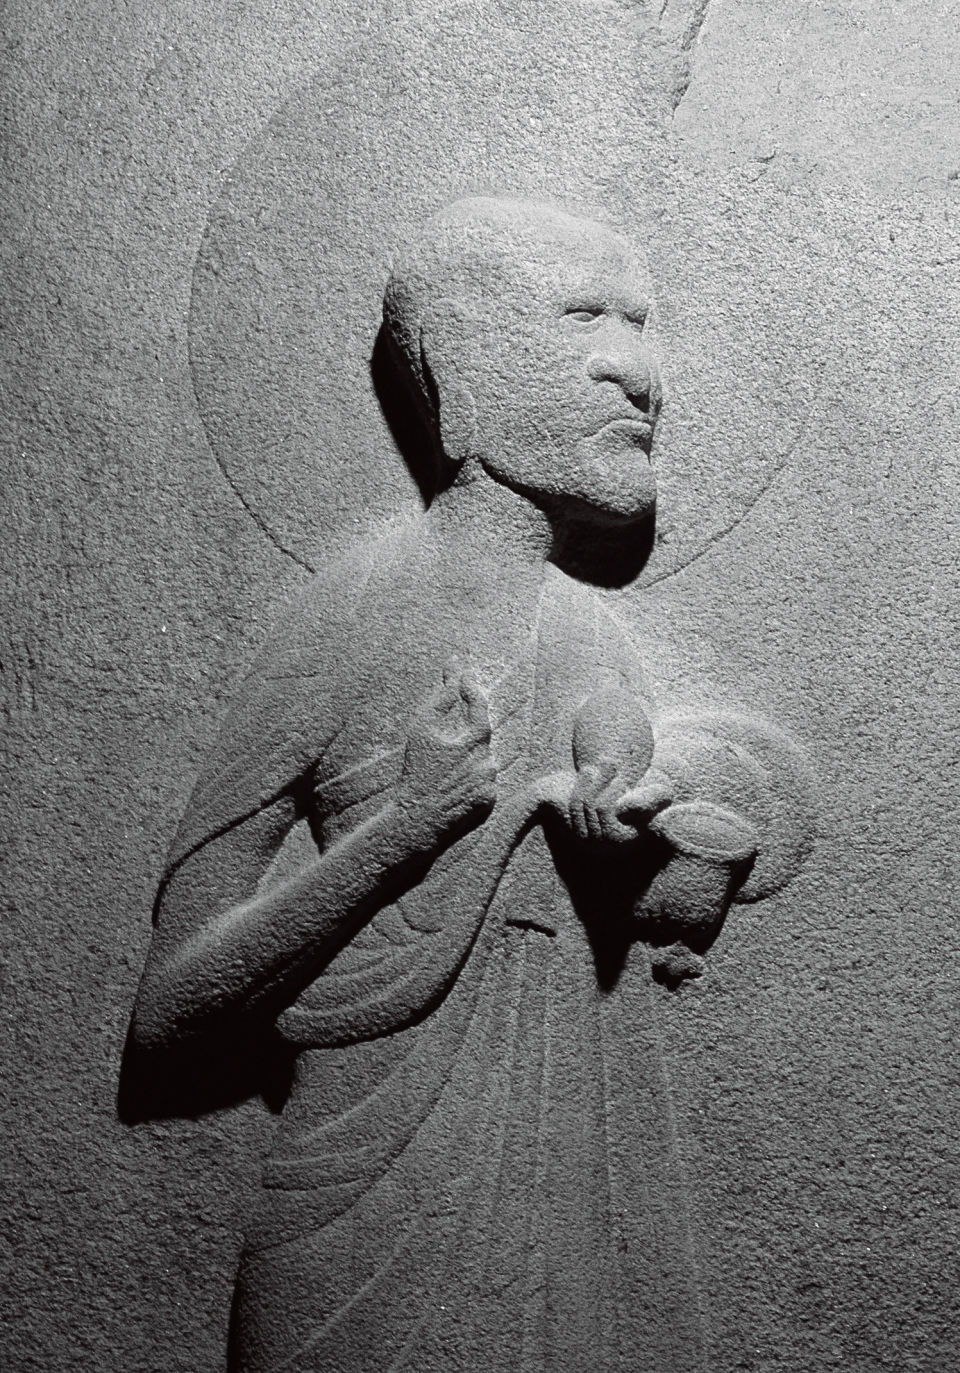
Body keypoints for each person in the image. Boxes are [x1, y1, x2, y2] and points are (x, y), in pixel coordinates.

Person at [133, 197, 811, 1373]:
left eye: (642, 324)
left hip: (578, 1166)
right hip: (364, 1194)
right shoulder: (347, 618)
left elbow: (619, 888)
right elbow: (170, 1011)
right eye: (584, 317)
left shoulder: (593, 633)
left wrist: (648, 832)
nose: (638, 369)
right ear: (459, 368)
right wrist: (405, 828)